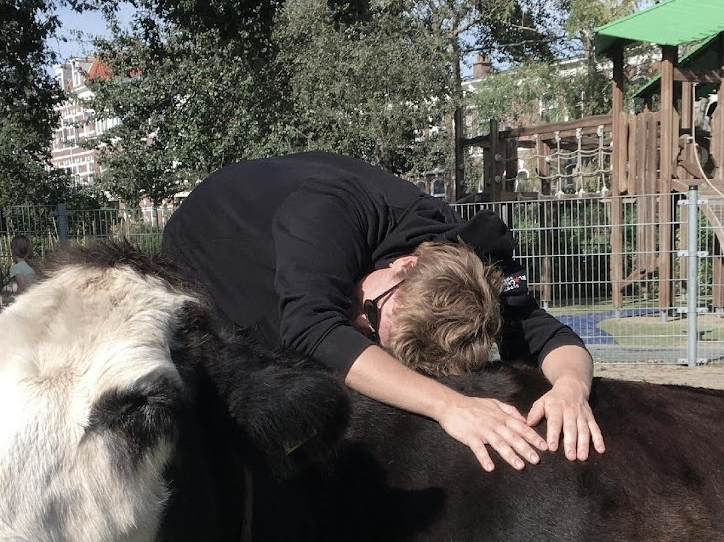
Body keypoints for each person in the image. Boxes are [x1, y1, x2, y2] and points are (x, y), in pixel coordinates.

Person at [161, 151, 605, 473]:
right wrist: (449, 405)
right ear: (405, 264)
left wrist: (570, 387)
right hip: (216, 250)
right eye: (372, 314)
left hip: (304, 245)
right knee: (270, 405)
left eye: (371, 333)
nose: (358, 321)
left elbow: (547, 334)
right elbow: (313, 327)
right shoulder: (330, 212)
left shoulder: (481, 271)